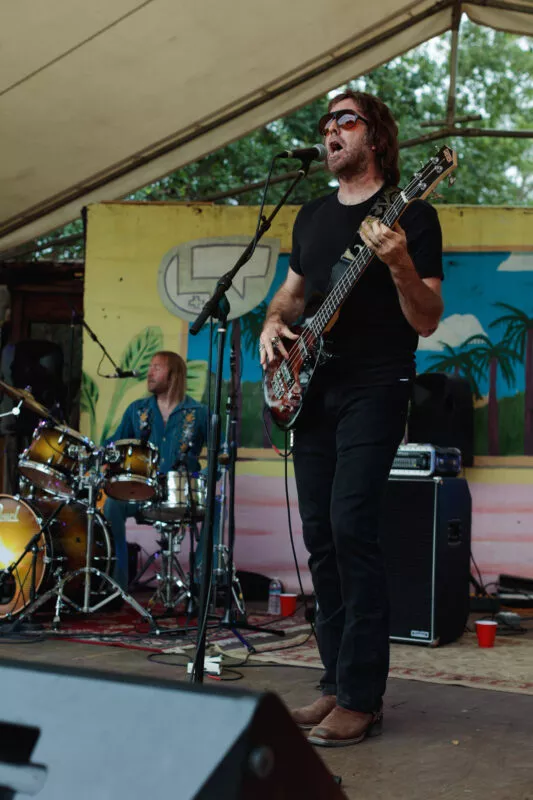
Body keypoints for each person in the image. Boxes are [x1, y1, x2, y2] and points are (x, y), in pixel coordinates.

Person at [259, 90, 444, 747]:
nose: (330, 132)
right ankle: (336, 683)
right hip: (314, 388)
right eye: (325, 124)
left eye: (344, 121)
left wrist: (396, 263)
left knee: (350, 525)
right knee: (318, 535)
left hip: (376, 381)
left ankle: (363, 698)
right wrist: (273, 325)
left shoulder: (411, 213)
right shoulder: (310, 216)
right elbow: (290, 295)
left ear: (375, 136)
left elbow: (426, 317)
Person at [103, 351, 208, 590]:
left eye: (157, 368)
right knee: (112, 505)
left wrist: (204, 477)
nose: (149, 373)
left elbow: (222, 451)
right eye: (150, 367)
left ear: (173, 376)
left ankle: (201, 581)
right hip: (142, 494)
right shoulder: (137, 410)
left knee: (217, 507)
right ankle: (117, 584)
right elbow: (114, 443)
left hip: (183, 496)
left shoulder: (199, 412)